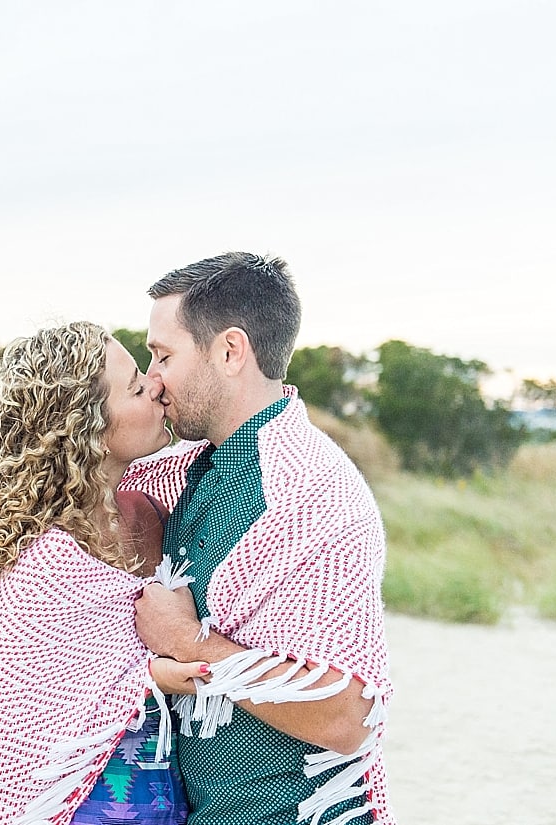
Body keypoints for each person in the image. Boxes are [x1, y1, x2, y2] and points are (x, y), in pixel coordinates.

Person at [121, 252, 395, 825]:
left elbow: (348, 715)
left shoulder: (314, 490)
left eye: (163, 355)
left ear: (229, 351)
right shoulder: (190, 469)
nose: (153, 378)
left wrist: (191, 642)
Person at [0, 321, 206, 825]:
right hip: (66, 802)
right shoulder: (45, 559)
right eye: (133, 387)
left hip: (157, 797)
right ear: (90, 426)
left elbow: (222, 454)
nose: (154, 384)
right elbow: (48, 699)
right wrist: (158, 673)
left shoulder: (152, 508)